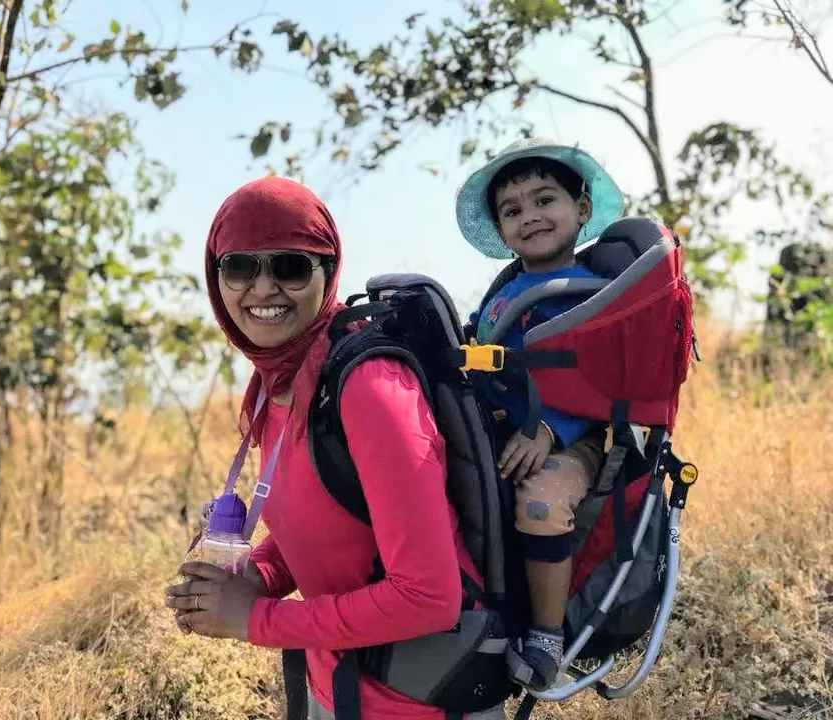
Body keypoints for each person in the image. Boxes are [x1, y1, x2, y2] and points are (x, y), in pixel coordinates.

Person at [164, 176, 505, 719]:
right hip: (336, 687)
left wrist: (256, 621)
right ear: (216, 277)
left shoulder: (369, 386)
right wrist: (256, 575)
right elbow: (337, 524)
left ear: (328, 270)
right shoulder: (277, 384)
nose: (263, 288)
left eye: (291, 266)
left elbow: (429, 596)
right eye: (239, 267)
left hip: (417, 701)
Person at [455, 137, 625, 689]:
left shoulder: (592, 295)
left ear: (580, 209)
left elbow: (602, 382)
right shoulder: (506, 291)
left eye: (544, 200)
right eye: (512, 210)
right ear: (502, 232)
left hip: (575, 436)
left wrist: (550, 431)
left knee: (541, 499)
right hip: (499, 427)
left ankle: (548, 633)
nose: (529, 216)